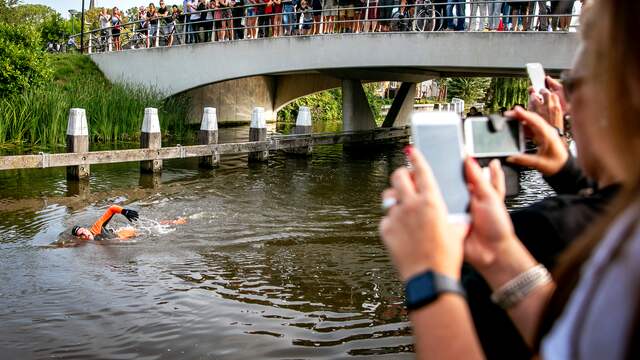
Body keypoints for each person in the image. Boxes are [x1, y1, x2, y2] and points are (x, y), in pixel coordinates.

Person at [378, 1, 640, 358]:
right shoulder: (625, 232)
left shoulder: (567, 232)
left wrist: (429, 274)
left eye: (572, 84)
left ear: (620, 99)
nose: (566, 106)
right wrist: (497, 252)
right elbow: (576, 341)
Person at [71, 205, 139, 241]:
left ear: (86, 229)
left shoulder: (96, 228)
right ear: (80, 239)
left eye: (83, 231)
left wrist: (124, 211)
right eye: (81, 235)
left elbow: (112, 209)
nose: (85, 234)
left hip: (130, 235)